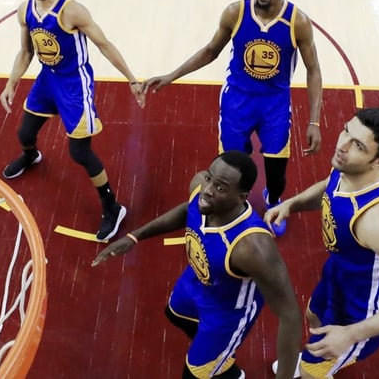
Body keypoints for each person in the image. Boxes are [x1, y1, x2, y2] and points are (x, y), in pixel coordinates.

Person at [140, 0, 323, 236]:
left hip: (274, 103)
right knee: (232, 164)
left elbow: (314, 70)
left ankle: (273, 201)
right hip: (237, 101)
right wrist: (171, 75)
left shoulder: (298, 21)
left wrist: (314, 122)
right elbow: (211, 50)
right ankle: (238, 208)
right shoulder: (235, 13)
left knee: (276, 170)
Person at [93, 150, 301, 379]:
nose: (207, 190)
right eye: (209, 177)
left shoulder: (253, 247)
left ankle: (221, 361)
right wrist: (134, 237)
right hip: (199, 282)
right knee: (175, 313)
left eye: (220, 187)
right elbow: (188, 209)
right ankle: (221, 362)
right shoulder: (202, 190)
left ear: (242, 197)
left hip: (227, 315)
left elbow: (290, 316)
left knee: (193, 374)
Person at [263, 108, 379, 378]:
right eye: (346, 131)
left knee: (311, 369)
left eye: (358, 145)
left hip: (362, 309)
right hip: (340, 271)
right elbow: (331, 185)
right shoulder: (351, 164)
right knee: (313, 317)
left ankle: (317, 369)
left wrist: (350, 334)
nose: (341, 145)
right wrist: (292, 205)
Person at [0, 0, 143, 242]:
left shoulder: (72, 11)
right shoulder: (24, 10)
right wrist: (11, 83)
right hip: (47, 80)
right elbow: (27, 51)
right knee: (25, 131)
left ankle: (112, 207)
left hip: (74, 85)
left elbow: (104, 44)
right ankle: (31, 156)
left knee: (79, 152)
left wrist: (131, 78)